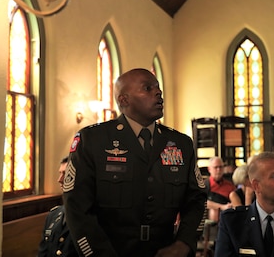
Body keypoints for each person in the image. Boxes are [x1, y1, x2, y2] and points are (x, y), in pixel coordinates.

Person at [62, 68, 207, 257]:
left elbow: (196, 201)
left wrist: (183, 244)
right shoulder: (93, 140)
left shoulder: (181, 143)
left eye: (158, 87)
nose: (158, 92)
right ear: (124, 100)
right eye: (147, 88)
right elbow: (77, 208)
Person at [37, 157, 79, 257]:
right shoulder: (53, 215)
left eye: (65, 174)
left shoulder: (92, 216)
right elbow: (43, 252)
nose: (59, 180)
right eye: (60, 173)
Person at [205, 156, 236, 222]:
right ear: (209, 169)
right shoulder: (204, 185)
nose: (218, 170)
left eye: (221, 167)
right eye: (216, 167)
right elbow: (202, 202)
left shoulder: (230, 185)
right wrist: (221, 206)